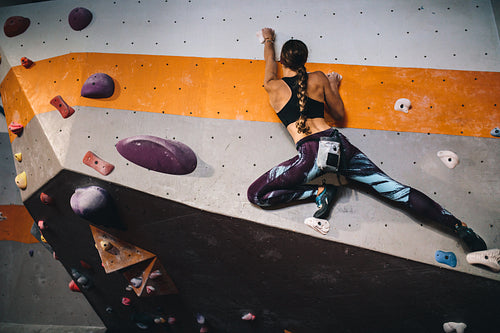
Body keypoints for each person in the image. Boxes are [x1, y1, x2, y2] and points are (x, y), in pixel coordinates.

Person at [247, 28, 487, 252]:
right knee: (395, 190)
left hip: (312, 156)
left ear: (282, 60)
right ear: (305, 61)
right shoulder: (319, 78)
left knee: (257, 195)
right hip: (339, 144)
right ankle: (460, 227)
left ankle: (319, 191)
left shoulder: (272, 86)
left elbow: (269, 65)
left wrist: (268, 39)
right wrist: (332, 85)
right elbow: (339, 115)